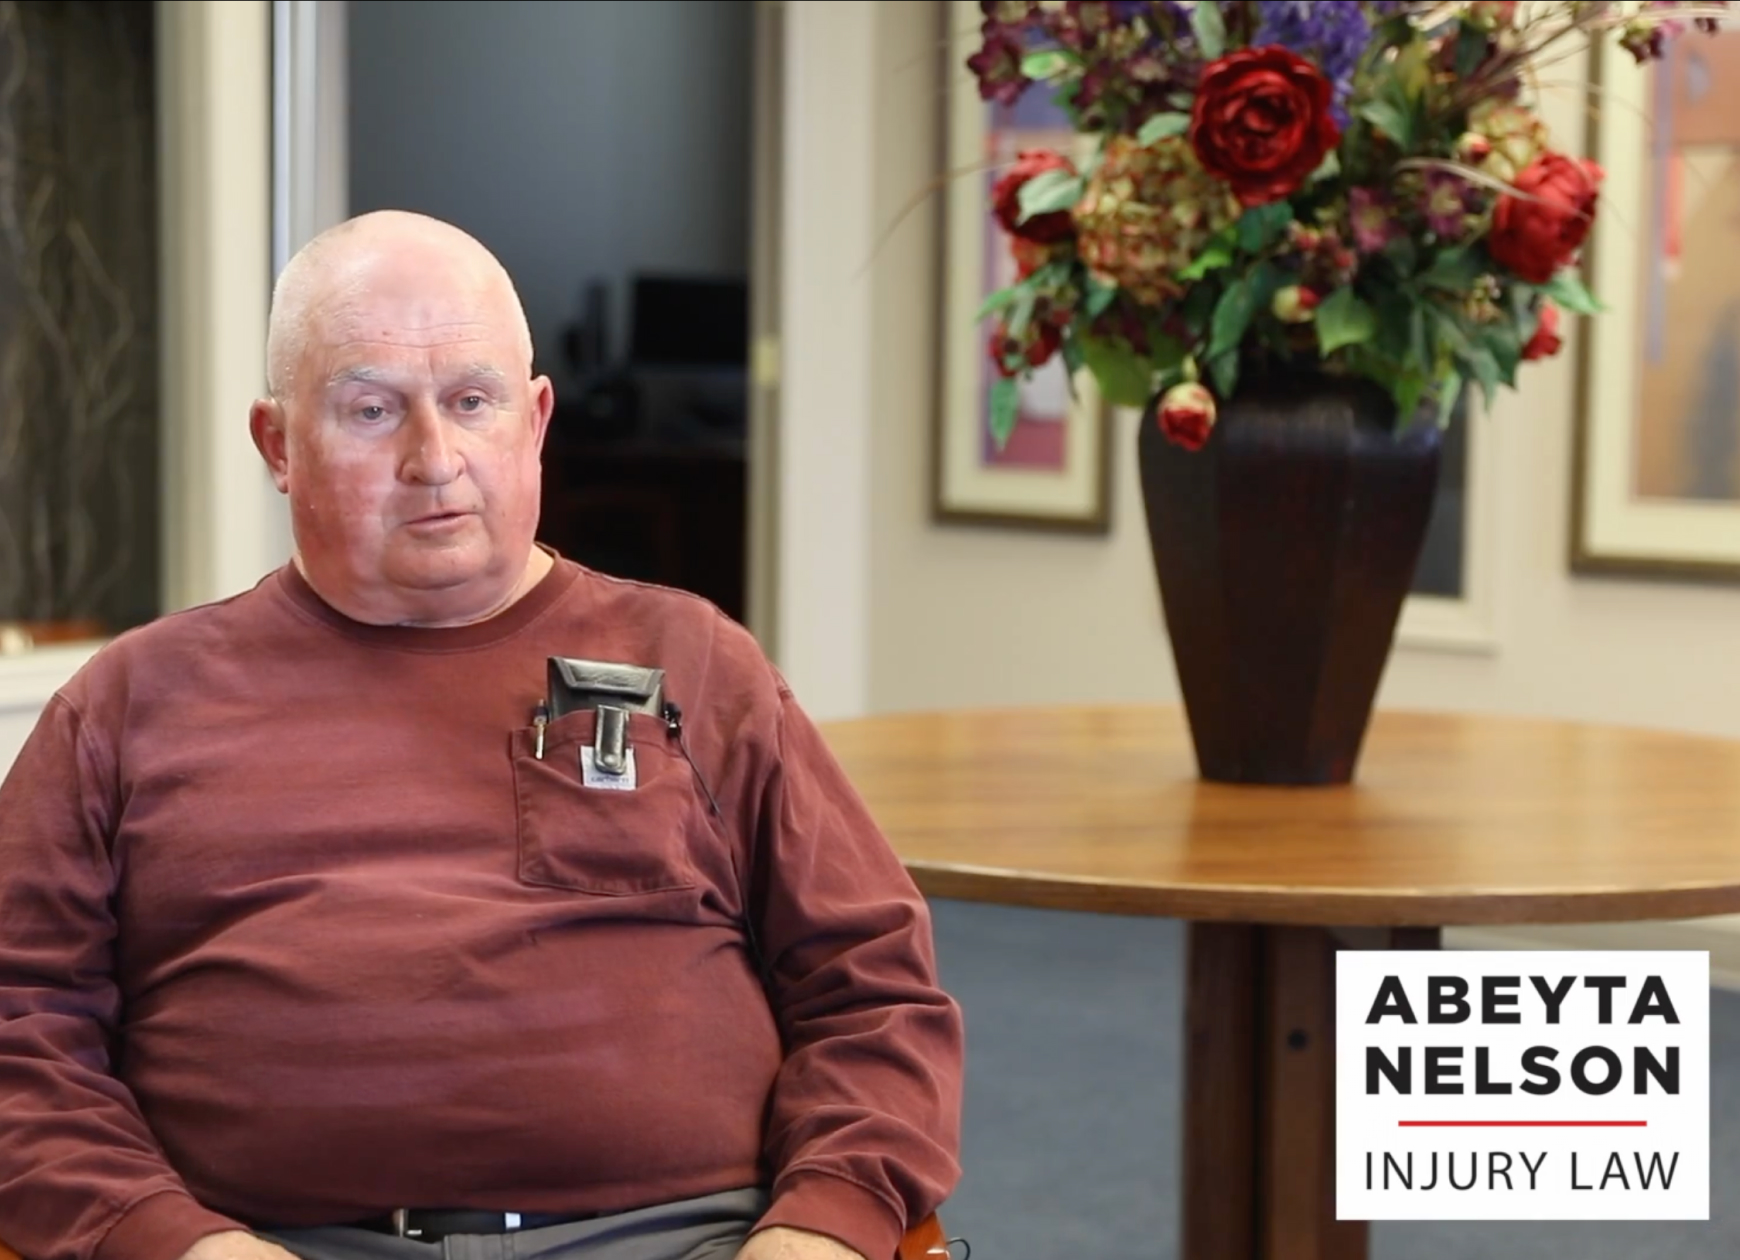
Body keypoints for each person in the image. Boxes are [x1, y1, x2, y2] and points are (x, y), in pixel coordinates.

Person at [0, 212, 963, 1260]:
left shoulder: (694, 662)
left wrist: (824, 1224)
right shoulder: (131, 704)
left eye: (472, 401)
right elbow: (18, 1029)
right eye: (373, 410)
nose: (434, 458)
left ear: (535, 420)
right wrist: (171, 1243)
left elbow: (872, 987)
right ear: (277, 444)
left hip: (690, 1238)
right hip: (271, 1243)